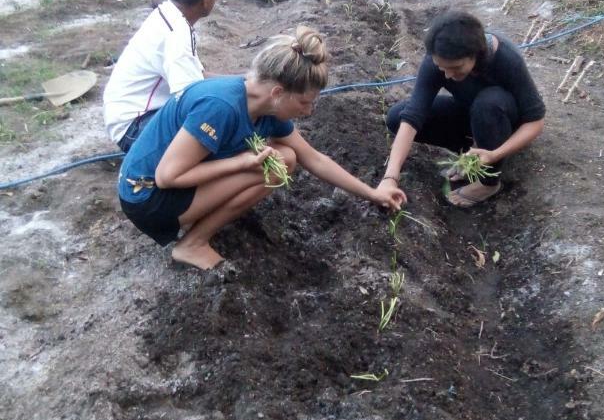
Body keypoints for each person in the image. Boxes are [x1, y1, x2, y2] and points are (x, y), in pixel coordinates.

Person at [118, 26, 406, 271]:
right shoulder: (221, 106)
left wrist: (373, 194)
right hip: (146, 197)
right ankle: (192, 244)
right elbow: (167, 176)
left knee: (288, 158)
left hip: (169, 187)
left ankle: (196, 230)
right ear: (278, 92)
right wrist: (242, 163)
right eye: (305, 102)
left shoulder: (266, 108)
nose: (309, 111)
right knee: (277, 164)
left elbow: (313, 158)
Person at [379, 11, 545, 208]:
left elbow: (535, 120)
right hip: (471, 115)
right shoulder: (436, 61)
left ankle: (489, 183)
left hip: (505, 125)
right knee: (396, 117)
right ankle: (472, 155)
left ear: (475, 54)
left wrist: (495, 154)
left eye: (456, 67)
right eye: (442, 68)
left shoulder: (506, 60)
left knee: (489, 103)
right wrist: (391, 176)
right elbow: (413, 115)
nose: (448, 75)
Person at [103, 0, 217, 152]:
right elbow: (190, 99)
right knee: (216, 130)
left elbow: (199, 76)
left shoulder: (169, 15)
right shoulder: (177, 33)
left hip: (128, 116)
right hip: (135, 126)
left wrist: (244, 81)